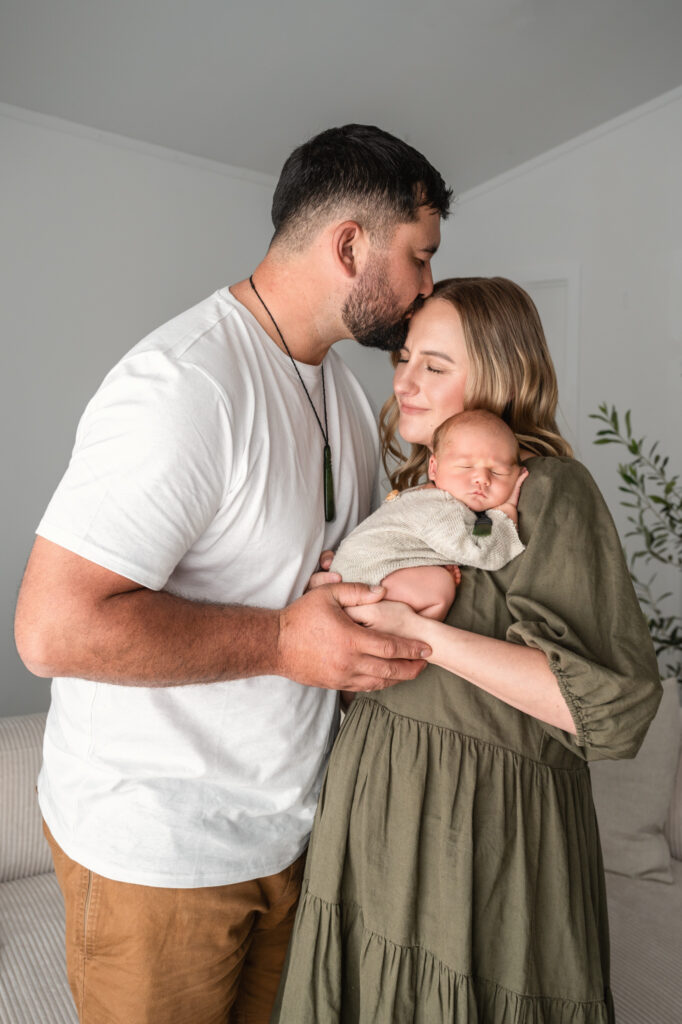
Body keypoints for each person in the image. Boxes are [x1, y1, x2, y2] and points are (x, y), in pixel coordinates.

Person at [13, 125, 453, 1024]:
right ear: (349, 245)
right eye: (419, 257)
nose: (427, 288)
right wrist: (285, 640)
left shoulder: (331, 386)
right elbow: (51, 630)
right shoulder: (185, 386)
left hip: (287, 837)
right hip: (159, 858)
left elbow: (317, 574)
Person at [272, 277, 662, 1024]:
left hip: (485, 829)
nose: (405, 380)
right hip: (379, 799)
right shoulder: (420, 490)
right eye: (405, 359)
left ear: (499, 373)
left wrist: (420, 632)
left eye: (435, 365)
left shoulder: (548, 490)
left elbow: (603, 713)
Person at [330, 409, 528, 620]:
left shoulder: (425, 496)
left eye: (497, 472)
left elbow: (477, 531)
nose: (482, 478)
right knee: (439, 586)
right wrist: (504, 513)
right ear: (434, 468)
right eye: (466, 466)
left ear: (518, 475)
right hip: (367, 579)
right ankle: (406, 638)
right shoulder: (441, 509)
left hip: (357, 573)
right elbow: (482, 552)